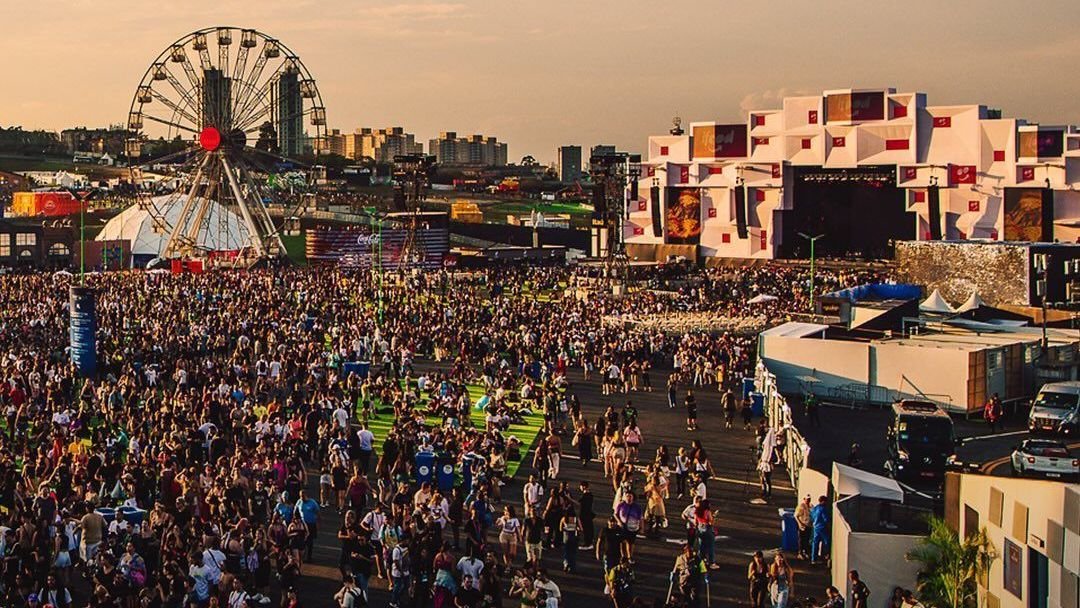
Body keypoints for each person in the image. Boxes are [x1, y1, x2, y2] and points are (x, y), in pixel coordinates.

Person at [810, 496, 831, 564]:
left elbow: (812, 517)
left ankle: (813, 559)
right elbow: (826, 519)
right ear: (823, 501)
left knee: (815, 543)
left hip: (815, 528)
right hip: (822, 528)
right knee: (826, 541)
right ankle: (826, 555)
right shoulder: (823, 509)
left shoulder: (814, 508)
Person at [794, 495, 812, 560]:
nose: (808, 500)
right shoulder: (801, 506)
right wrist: (800, 523)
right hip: (803, 526)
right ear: (804, 499)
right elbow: (796, 516)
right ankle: (800, 553)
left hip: (809, 525)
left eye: (809, 499)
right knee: (801, 540)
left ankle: (805, 552)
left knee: (807, 539)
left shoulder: (811, 506)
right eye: (807, 499)